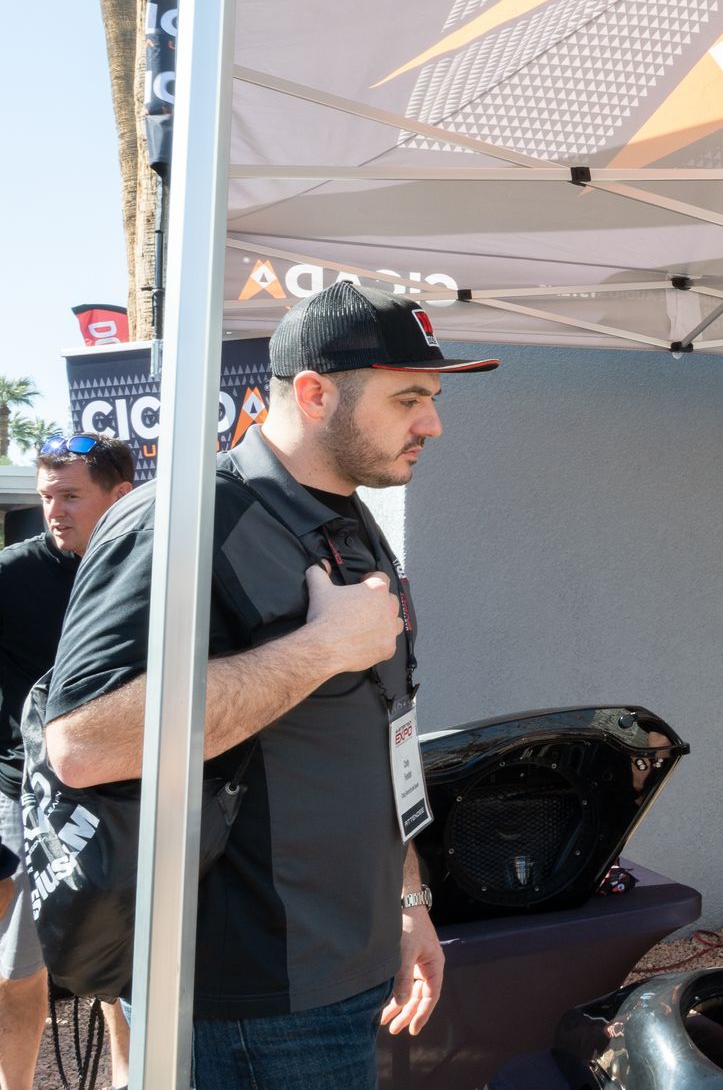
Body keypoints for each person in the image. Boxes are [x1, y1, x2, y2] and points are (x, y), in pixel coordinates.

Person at [42, 283, 498, 1089]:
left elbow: (378, 731)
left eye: (430, 398)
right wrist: (316, 651)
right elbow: (81, 744)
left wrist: (409, 903)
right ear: (316, 393)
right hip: (246, 1002)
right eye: (409, 399)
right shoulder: (184, 517)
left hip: (348, 968)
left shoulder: (354, 523)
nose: (432, 423)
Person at [0, 436, 136, 1090]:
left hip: (123, 796)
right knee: (20, 964)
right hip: (26, 798)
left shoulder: (149, 571)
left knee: (120, 961)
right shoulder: (13, 574)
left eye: (70, 496)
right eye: (46, 495)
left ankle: (129, 1081)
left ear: (120, 497)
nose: (53, 509)